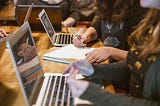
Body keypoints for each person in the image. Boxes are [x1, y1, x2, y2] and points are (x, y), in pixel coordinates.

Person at [65, 0, 160, 105]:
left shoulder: (141, 12)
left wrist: (95, 94)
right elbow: (136, 66)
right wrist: (93, 70)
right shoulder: (154, 20)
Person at [73, 0, 148, 63]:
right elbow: (97, 27)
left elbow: (139, 58)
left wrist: (110, 52)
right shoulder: (105, 3)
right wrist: (85, 36)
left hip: (124, 72)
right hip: (106, 63)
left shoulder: (139, 10)